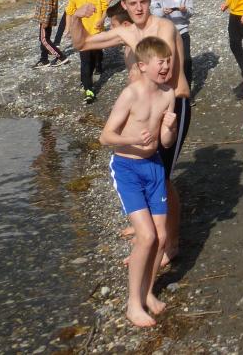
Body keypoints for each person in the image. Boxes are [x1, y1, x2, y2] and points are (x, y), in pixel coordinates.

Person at [72, 0, 192, 262]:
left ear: (150, 2)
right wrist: (75, 17)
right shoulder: (126, 31)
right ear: (124, 6)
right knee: (141, 165)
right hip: (143, 108)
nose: (139, 8)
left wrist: (129, 39)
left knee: (162, 176)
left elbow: (163, 73)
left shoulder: (163, 28)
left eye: (143, 2)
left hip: (172, 105)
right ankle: (146, 232)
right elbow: (81, 43)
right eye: (133, 4)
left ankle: (170, 243)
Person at [100, 36, 179, 328]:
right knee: (146, 236)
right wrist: (132, 138)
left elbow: (166, 142)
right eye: (161, 63)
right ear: (143, 66)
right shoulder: (130, 94)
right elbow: (105, 136)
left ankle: (147, 293)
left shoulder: (168, 93)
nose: (166, 67)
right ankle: (133, 304)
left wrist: (169, 128)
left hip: (154, 167)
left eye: (169, 62)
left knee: (161, 237)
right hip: (127, 169)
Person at [66, 0, 110, 103]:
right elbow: (69, 13)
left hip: (96, 32)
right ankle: (88, 89)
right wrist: (68, 29)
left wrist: (102, 19)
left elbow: (105, 8)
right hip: (82, 34)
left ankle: (95, 70)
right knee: (85, 61)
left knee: (95, 56)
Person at [150, 0, 195, 96]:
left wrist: (184, 10)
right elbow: (153, 10)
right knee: (164, 62)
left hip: (181, 30)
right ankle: (164, 91)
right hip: (163, 31)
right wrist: (162, 11)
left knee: (186, 61)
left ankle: (186, 92)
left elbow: (191, 12)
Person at [33, 0, 66, 67]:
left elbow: (48, 7)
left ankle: (61, 57)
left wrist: (45, 21)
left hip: (45, 19)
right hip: (47, 18)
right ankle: (44, 60)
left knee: (44, 40)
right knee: (44, 39)